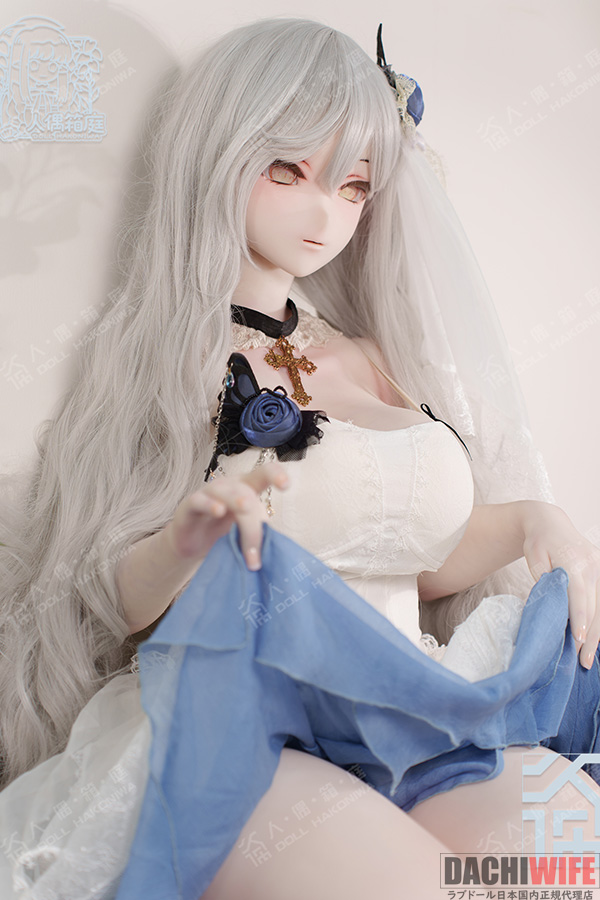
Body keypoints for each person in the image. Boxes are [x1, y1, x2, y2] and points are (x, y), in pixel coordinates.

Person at [0, 15, 599, 900]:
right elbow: (107, 594)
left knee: (567, 862)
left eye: (354, 186)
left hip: (407, 704)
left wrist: (531, 523)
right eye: (289, 171)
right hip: (245, 718)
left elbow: (415, 558)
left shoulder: (376, 356)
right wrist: (188, 540)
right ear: (222, 152)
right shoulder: (169, 363)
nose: (327, 213)